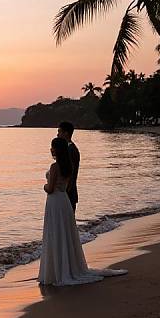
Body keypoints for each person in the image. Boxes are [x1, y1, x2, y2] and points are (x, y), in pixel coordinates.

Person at [37, 138, 127, 286]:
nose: (51, 150)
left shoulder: (54, 167)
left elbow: (50, 188)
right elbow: (66, 186)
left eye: (52, 147)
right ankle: (67, 267)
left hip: (54, 202)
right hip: (64, 201)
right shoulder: (69, 167)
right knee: (65, 233)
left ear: (57, 150)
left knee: (55, 233)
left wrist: (44, 186)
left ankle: (56, 271)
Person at [57, 121, 80, 211]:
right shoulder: (68, 149)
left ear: (66, 133)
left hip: (68, 193)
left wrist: (65, 191)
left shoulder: (70, 150)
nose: (57, 134)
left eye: (59, 132)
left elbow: (71, 172)